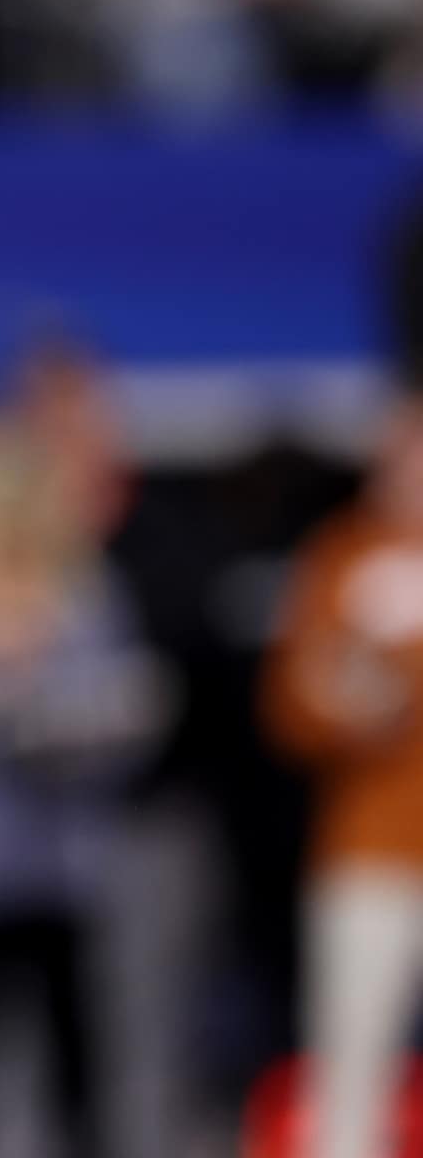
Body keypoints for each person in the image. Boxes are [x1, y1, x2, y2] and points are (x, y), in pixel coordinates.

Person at [262, 396, 423, 1158]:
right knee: (351, 1067)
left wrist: (394, 679)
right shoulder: (342, 554)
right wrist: (357, 702)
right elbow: (293, 705)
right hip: (368, 854)